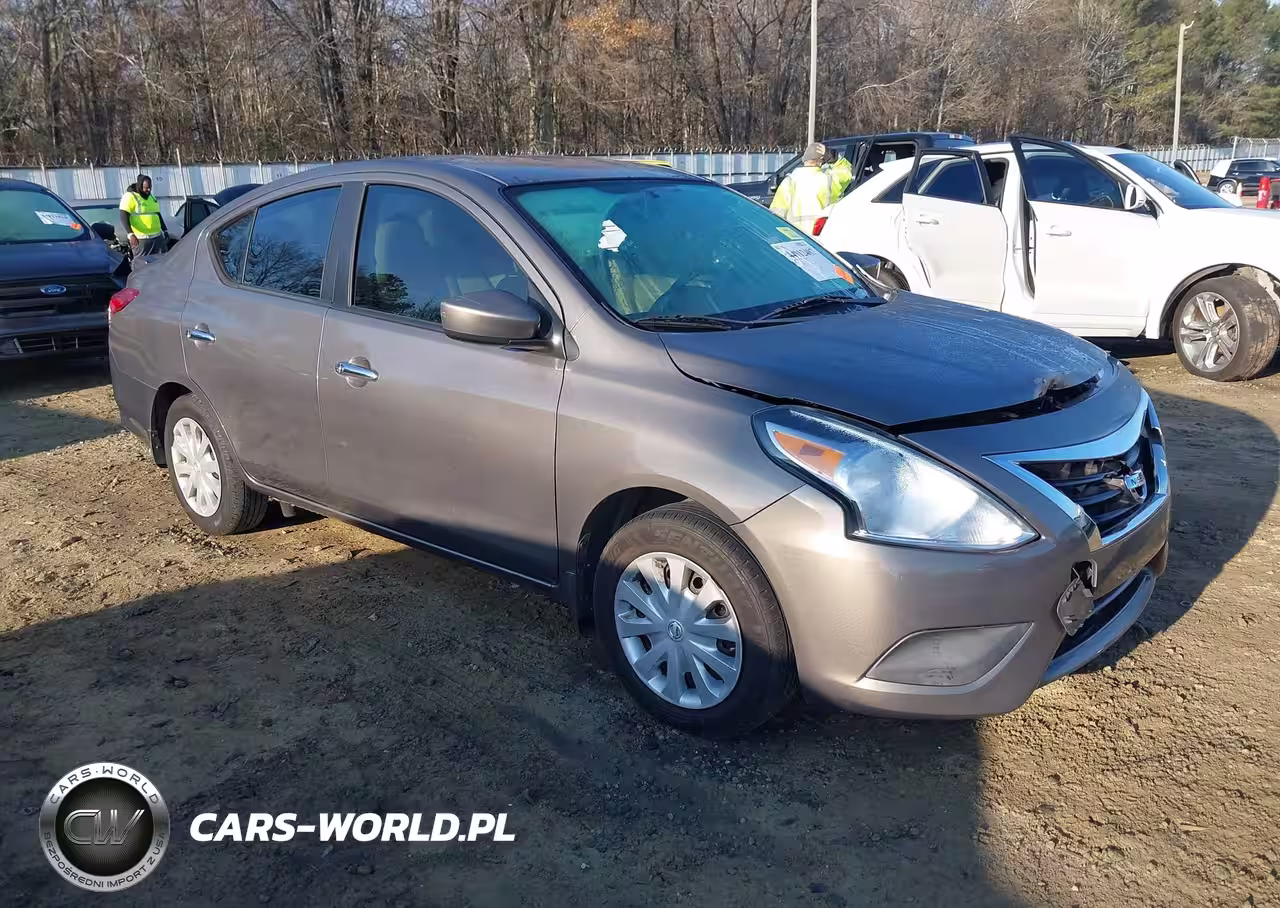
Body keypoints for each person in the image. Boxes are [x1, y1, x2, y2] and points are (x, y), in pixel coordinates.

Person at [770, 142, 836, 235]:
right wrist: (834, 157)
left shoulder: (789, 181)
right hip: (821, 235)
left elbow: (776, 213)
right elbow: (847, 173)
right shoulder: (828, 179)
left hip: (794, 236)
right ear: (821, 161)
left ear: (804, 160)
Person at [119, 174, 168, 256]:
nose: (148, 190)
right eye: (146, 188)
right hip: (141, 239)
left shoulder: (151, 197)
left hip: (157, 237)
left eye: (150, 187)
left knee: (161, 263)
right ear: (140, 186)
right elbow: (123, 216)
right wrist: (131, 234)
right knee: (142, 264)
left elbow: (157, 215)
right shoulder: (130, 196)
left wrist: (165, 230)